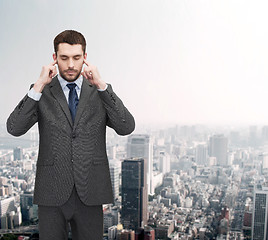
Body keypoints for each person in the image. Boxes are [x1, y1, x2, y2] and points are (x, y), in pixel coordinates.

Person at [6, 30, 135, 240]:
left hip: (90, 188)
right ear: (54, 59)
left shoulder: (99, 91)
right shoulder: (42, 91)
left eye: (76, 58)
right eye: (64, 58)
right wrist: (38, 85)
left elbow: (126, 126)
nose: (71, 65)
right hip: (51, 191)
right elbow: (14, 127)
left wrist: (102, 86)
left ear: (85, 57)